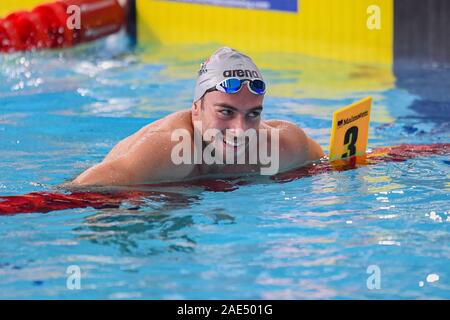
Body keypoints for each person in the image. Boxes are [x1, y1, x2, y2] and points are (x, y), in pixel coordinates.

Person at [72, 47, 324, 186]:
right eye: (226, 111)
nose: (240, 130)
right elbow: (74, 194)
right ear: (196, 109)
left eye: (252, 114)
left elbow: (332, 162)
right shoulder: (164, 148)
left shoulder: (282, 146)